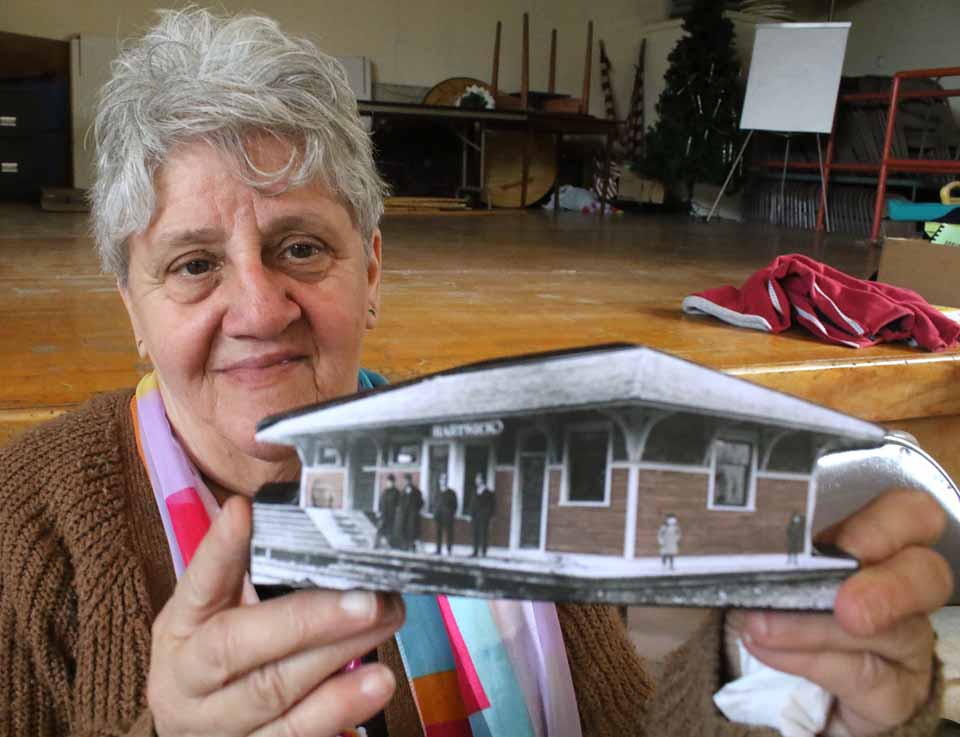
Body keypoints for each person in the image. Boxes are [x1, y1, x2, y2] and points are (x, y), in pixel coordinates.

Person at [0, 9, 951, 737]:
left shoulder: (514, 473)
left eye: (300, 247)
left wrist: (796, 693)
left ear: (371, 272)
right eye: (194, 264)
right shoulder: (24, 529)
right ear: (129, 303)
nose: (258, 311)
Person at [396, 473, 423, 552]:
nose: (407, 482)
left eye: (408, 480)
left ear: (411, 481)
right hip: (404, 515)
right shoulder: (402, 491)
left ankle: (412, 546)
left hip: (412, 515)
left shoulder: (416, 491)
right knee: (404, 529)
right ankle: (405, 546)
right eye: (406, 480)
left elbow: (421, 502)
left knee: (412, 530)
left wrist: (415, 510)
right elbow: (400, 503)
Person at [471, 473, 495, 558]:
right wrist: (472, 514)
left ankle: (483, 552)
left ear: (482, 480)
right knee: (475, 533)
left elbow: (492, 505)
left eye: (478, 479)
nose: (476, 481)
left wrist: (487, 515)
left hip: (484, 516)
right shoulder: (475, 491)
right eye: (476, 479)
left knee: (483, 534)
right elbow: (472, 504)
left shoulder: (488, 492)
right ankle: (475, 551)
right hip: (475, 516)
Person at [434, 473, 458, 555]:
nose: (443, 481)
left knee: (449, 532)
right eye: (441, 479)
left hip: (448, 516)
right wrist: (435, 513)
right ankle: (438, 550)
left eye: (444, 479)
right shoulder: (437, 492)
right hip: (438, 516)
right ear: (439, 481)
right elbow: (435, 503)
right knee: (438, 532)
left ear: (447, 481)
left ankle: (449, 549)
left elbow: (455, 505)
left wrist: (450, 513)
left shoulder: (451, 492)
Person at [376, 474, 401, 548]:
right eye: (388, 482)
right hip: (383, 515)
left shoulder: (396, 492)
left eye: (391, 482)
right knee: (380, 530)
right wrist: (379, 511)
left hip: (391, 516)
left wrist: (396, 513)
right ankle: (376, 545)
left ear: (394, 482)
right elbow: (380, 503)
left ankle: (390, 545)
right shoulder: (385, 492)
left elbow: (399, 505)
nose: (390, 483)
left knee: (390, 531)